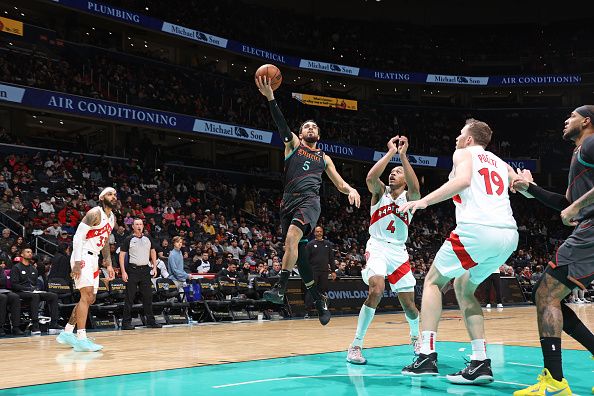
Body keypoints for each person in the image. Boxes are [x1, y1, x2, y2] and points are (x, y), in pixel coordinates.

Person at [399, 119, 519, 384]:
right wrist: (525, 182)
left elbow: (463, 181)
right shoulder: (500, 162)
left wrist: (424, 201)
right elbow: (523, 186)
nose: (456, 137)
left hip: (478, 229)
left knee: (432, 281)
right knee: (464, 288)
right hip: (509, 235)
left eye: (460, 133)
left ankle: (426, 355)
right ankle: (480, 363)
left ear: (468, 139)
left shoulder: (463, 153)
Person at [255, 75, 361, 326]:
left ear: (318, 135)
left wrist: (351, 190)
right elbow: (281, 124)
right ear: (300, 134)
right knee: (300, 260)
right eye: (306, 127)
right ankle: (320, 301)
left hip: (309, 203)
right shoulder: (292, 145)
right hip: (287, 203)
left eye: (314, 127)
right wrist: (271, 97)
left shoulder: (324, 158)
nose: (310, 128)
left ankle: (279, 288)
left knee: (292, 238)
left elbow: (339, 183)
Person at [512, 105, 594, 396]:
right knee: (547, 296)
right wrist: (530, 188)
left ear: (586, 121)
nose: (565, 120)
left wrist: (576, 207)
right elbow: (564, 203)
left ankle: (556, 382)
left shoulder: (592, 143)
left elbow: (572, 207)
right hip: (587, 229)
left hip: (591, 230)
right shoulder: (579, 155)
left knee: (545, 294)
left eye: (571, 116)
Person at [347, 136, 422, 365]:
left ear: (406, 179)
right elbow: (370, 177)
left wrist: (403, 156)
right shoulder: (380, 192)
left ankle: (415, 337)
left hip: (399, 252)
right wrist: (390, 153)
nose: (393, 173)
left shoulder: (411, 197)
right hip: (377, 246)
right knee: (376, 290)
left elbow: (417, 188)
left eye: (398, 172)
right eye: (392, 171)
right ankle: (356, 345)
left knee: (409, 306)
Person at [55, 187, 116, 351]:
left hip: (94, 258)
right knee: (86, 294)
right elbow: (78, 237)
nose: (114, 196)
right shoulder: (94, 213)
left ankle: (67, 332)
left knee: (90, 299)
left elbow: (104, 242)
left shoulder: (112, 218)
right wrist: (76, 262)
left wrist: (108, 263)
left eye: (115, 194)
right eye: (110, 194)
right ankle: (81, 338)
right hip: (82, 255)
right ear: (102, 198)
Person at [119, 218, 162, 330]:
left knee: (148, 297)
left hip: (145, 270)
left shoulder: (148, 238)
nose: (139, 226)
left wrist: (154, 266)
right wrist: (123, 271)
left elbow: (153, 251)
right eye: (136, 224)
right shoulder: (129, 239)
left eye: (140, 224)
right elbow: (122, 255)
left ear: (143, 226)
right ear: (133, 226)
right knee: (130, 297)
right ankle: (126, 323)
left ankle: (151, 322)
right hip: (132, 270)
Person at [11, 247, 61, 334]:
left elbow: (35, 283)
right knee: (35, 296)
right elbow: (14, 285)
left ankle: (54, 324)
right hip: (20, 292)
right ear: (22, 255)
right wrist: (27, 289)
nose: (30, 253)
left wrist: (36, 288)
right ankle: (35, 324)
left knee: (53, 295)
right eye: (27, 252)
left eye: (31, 252)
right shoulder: (16, 267)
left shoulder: (34, 269)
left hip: (33, 292)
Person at [304, 226, 336, 313]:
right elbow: (306, 259)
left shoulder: (328, 244)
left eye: (320, 231)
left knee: (323, 289)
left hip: (324, 271)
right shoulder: (310, 244)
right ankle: (308, 309)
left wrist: (333, 271)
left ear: (322, 232)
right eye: (317, 231)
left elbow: (331, 258)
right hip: (313, 271)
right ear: (314, 233)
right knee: (311, 289)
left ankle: (322, 308)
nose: (319, 233)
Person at [0, 267, 23, 336]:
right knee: (3, 298)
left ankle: (16, 327)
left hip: (2, 290)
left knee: (15, 297)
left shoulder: (0, 269)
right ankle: (0, 326)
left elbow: (3, 281)